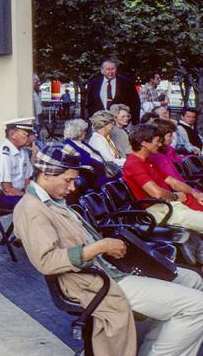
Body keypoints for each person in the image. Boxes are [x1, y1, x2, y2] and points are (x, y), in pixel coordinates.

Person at [14, 144, 203, 356]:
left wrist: (107, 247)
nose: (73, 187)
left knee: (192, 280)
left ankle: (153, 348)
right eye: (68, 180)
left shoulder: (52, 201)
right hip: (95, 281)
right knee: (198, 307)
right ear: (47, 174)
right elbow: (47, 261)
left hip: (110, 269)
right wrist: (100, 247)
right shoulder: (32, 209)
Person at [122, 123, 203, 233]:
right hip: (158, 209)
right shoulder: (134, 164)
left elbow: (172, 181)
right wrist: (175, 196)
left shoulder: (146, 161)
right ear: (144, 143)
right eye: (157, 141)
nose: (160, 144)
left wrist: (195, 193)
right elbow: (157, 193)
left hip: (168, 205)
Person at [147, 119, 203, 211]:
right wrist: (195, 193)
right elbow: (174, 183)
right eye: (170, 136)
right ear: (160, 137)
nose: (172, 138)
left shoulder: (166, 152)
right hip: (178, 196)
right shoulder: (159, 158)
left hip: (182, 191)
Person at [0, 118, 35, 208]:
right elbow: (7, 189)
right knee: (34, 205)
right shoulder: (3, 156)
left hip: (18, 191)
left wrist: (30, 194)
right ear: (13, 134)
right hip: (3, 196)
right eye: (27, 134)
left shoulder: (23, 152)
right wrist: (28, 197)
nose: (32, 138)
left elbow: (27, 179)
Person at [63, 119, 119, 189]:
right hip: (94, 176)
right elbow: (84, 162)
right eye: (84, 131)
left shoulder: (81, 142)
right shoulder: (71, 146)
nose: (86, 133)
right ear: (78, 132)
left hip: (103, 170)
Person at [86, 59, 141, 124]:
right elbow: (89, 103)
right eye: (108, 69)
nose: (110, 71)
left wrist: (134, 120)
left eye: (112, 69)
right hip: (99, 123)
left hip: (121, 123)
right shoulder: (94, 83)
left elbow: (135, 103)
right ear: (102, 70)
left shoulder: (127, 83)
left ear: (116, 69)